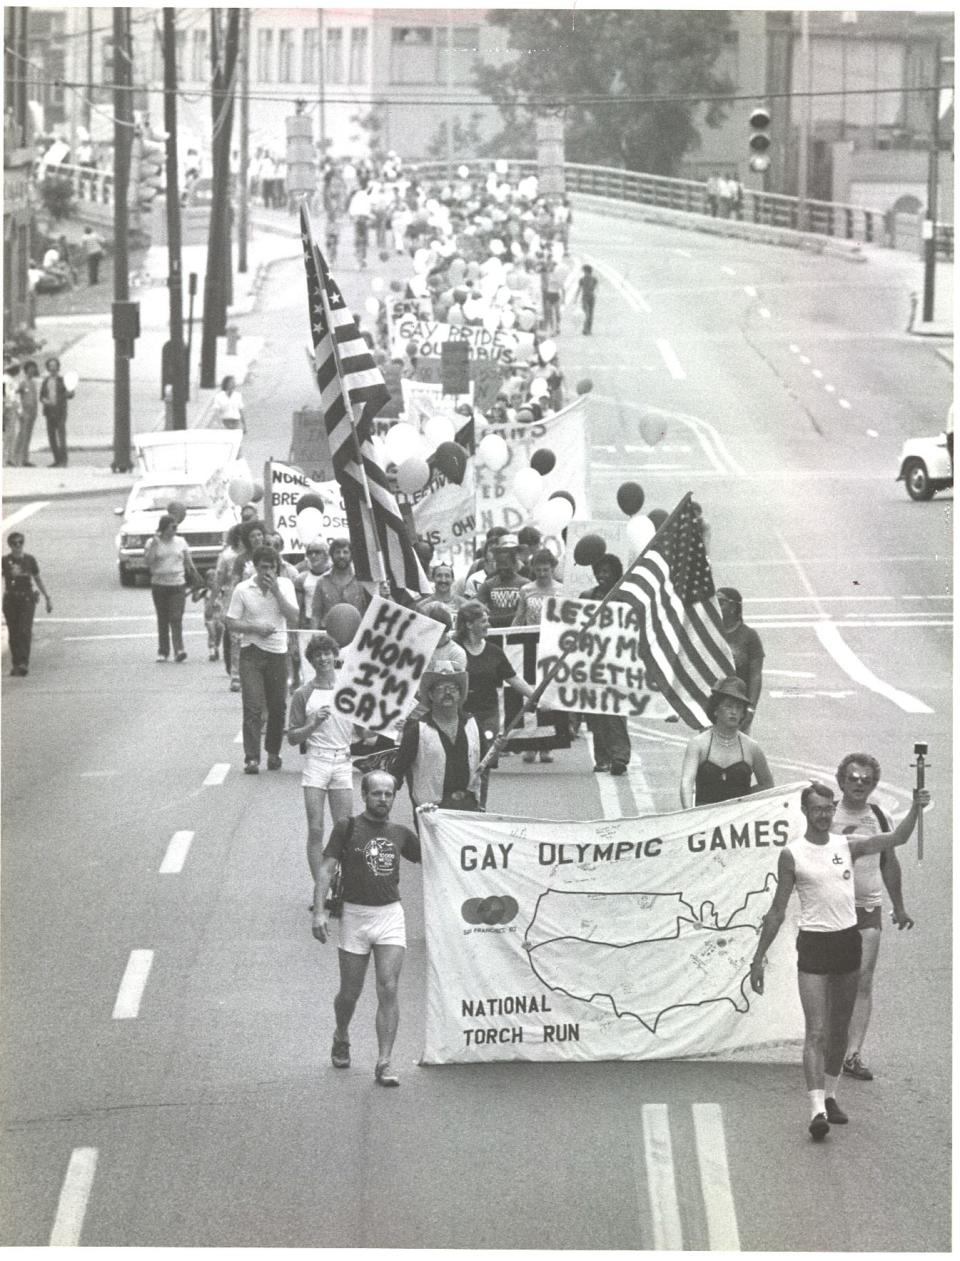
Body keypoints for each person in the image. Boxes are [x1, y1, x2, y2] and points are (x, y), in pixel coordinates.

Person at [750, 780, 929, 1140]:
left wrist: (915, 808)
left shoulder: (846, 846)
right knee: (815, 1031)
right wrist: (757, 959)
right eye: (816, 808)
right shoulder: (792, 854)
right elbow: (776, 912)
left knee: (839, 1031)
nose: (823, 814)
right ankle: (816, 1108)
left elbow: (896, 840)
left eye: (828, 808)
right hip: (814, 945)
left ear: (833, 809)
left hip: (847, 942)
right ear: (804, 811)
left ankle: (830, 1096)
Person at [312, 771, 421, 1087]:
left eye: (388, 794)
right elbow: (326, 869)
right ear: (364, 795)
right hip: (356, 918)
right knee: (350, 993)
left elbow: (431, 854)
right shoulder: (347, 828)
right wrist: (319, 911)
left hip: (389, 917)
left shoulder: (400, 833)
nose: (383, 799)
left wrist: (434, 821)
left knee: (388, 987)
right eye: (377, 793)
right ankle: (342, 1034)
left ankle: (384, 1061)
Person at [833, 753, 915, 1083]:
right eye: (852, 778)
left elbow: (889, 862)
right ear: (841, 781)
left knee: (862, 980)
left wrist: (899, 906)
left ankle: (853, 1053)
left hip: (868, 909)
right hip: (831, 911)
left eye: (866, 780)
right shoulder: (824, 813)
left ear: (873, 785)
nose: (858, 784)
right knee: (831, 979)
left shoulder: (879, 815)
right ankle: (828, 1046)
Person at [288, 633, 357, 888]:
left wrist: (394, 726)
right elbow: (293, 738)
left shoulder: (348, 689)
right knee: (316, 828)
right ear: (311, 660)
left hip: (342, 760)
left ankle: (340, 884)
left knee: (344, 829)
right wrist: (313, 723)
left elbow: (363, 732)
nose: (323, 659)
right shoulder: (303, 694)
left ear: (335, 655)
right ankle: (321, 888)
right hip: (316, 761)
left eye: (327, 653)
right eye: (317, 655)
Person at [226, 544, 299, 774]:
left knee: (277, 707)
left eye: (273, 567)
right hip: (252, 651)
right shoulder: (243, 589)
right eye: (264, 567)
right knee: (253, 706)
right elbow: (230, 621)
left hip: (277, 653)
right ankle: (251, 757)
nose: (269, 572)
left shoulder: (285, 585)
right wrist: (255, 628)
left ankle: (273, 752)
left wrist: (277, 592)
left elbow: (294, 617)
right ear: (256, 568)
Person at [455, 600, 537, 805]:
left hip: (487, 716)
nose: (488, 625)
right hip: (460, 717)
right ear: (468, 624)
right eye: (483, 621)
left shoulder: (494, 652)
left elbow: (513, 678)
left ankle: (480, 806)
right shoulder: (454, 650)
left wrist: (535, 696)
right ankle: (459, 805)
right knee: (461, 763)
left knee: (483, 763)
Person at [392, 661, 484, 815]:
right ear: (430, 695)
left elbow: (485, 763)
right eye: (441, 688)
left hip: (468, 806)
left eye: (453, 688)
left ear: (460, 694)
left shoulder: (472, 724)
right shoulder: (417, 729)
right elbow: (398, 770)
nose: (447, 692)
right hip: (431, 810)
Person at [680, 676, 774, 807]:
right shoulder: (698, 744)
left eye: (739, 708)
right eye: (728, 706)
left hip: (739, 820)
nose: (734, 712)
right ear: (716, 710)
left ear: (743, 714)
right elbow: (687, 783)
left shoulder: (752, 747)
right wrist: (689, 814)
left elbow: (767, 785)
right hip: (705, 820)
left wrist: (745, 798)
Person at [581, 555, 631, 775]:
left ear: (616, 574)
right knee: (596, 715)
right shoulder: (587, 597)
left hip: (617, 663)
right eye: (599, 572)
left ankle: (620, 756)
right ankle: (602, 758)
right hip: (592, 663)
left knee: (616, 712)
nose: (602, 576)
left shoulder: (625, 598)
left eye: (606, 572)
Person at [144, 514, 201, 663]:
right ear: (164, 528)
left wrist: (195, 576)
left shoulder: (180, 542)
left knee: (176, 617)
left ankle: (179, 649)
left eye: (176, 527)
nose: (175, 530)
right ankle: (163, 651)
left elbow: (188, 562)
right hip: (159, 584)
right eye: (172, 527)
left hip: (177, 583)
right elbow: (148, 562)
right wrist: (155, 545)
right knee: (162, 618)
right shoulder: (152, 542)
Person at [2, 532, 52, 675]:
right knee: (14, 632)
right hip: (11, 599)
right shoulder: (5, 561)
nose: (18, 546)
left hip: (26, 599)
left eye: (20, 543)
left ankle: (23, 662)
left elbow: (37, 578)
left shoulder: (29, 560)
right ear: (10, 545)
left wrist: (47, 597)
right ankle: (16, 663)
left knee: (24, 630)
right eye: (14, 543)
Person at [716, 588, 764, 732]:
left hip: (737, 707)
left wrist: (750, 709)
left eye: (721, 602)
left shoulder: (749, 636)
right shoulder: (709, 633)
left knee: (737, 750)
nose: (716, 606)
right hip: (713, 706)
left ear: (733, 606)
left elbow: (755, 675)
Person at [311, 538, 369, 629]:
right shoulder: (322, 581)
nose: (341, 556)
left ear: (351, 555)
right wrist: (313, 636)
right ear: (332, 555)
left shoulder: (362, 581)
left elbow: (369, 611)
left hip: (356, 634)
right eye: (337, 552)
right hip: (329, 634)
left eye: (345, 552)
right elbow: (316, 614)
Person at [476, 534, 527, 628]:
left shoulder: (524, 584)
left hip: (516, 631)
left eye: (506, 565)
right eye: (500, 564)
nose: (503, 569)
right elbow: (476, 606)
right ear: (496, 563)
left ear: (513, 563)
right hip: (494, 632)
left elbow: (523, 613)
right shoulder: (488, 583)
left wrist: (494, 619)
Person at [39, 357, 71, 468]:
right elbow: (41, 396)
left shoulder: (63, 380)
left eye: (54, 365)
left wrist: (68, 393)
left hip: (61, 410)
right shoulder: (45, 381)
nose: (52, 368)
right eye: (50, 366)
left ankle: (64, 461)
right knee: (51, 436)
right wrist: (44, 400)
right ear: (48, 368)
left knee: (61, 436)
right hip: (49, 411)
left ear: (58, 367)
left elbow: (71, 394)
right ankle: (57, 460)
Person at [14, 359, 39, 466]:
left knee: (28, 436)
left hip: (32, 412)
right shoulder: (22, 382)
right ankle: (17, 459)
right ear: (26, 370)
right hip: (24, 412)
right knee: (22, 435)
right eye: (30, 369)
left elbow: (34, 399)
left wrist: (36, 412)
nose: (32, 371)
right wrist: (19, 410)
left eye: (33, 369)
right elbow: (15, 395)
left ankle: (25, 459)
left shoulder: (33, 383)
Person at [202, 568, 224, 661]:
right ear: (206, 581)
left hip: (219, 615)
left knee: (220, 631)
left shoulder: (221, 591)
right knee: (212, 633)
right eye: (210, 580)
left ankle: (216, 646)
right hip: (209, 615)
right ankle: (212, 650)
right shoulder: (205, 591)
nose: (213, 582)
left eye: (215, 580)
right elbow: (194, 599)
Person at [575, 264, 597, 335]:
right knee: (587, 314)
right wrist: (576, 297)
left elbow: (593, 288)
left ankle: (589, 329)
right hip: (585, 297)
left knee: (590, 314)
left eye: (584, 271)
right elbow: (579, 288)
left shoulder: (594, 279)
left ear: (587, 271)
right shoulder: (582, 279)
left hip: (591, 297)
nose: (584, 273)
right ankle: (585, 329)